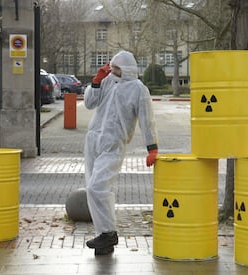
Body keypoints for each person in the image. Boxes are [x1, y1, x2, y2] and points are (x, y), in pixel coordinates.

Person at [83, 50, 158, 255]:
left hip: (114, 143)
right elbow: (90, 103)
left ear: (127, 69)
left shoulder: (138, 89)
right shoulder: (107, 81)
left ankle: (108, 233)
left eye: (116, 68)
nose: (112, 71)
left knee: (97, 187)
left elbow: (146, 119)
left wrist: (152, 147)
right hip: (93, 139)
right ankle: (104, 238)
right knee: (92, 187)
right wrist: (96, 82)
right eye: (111, 67)